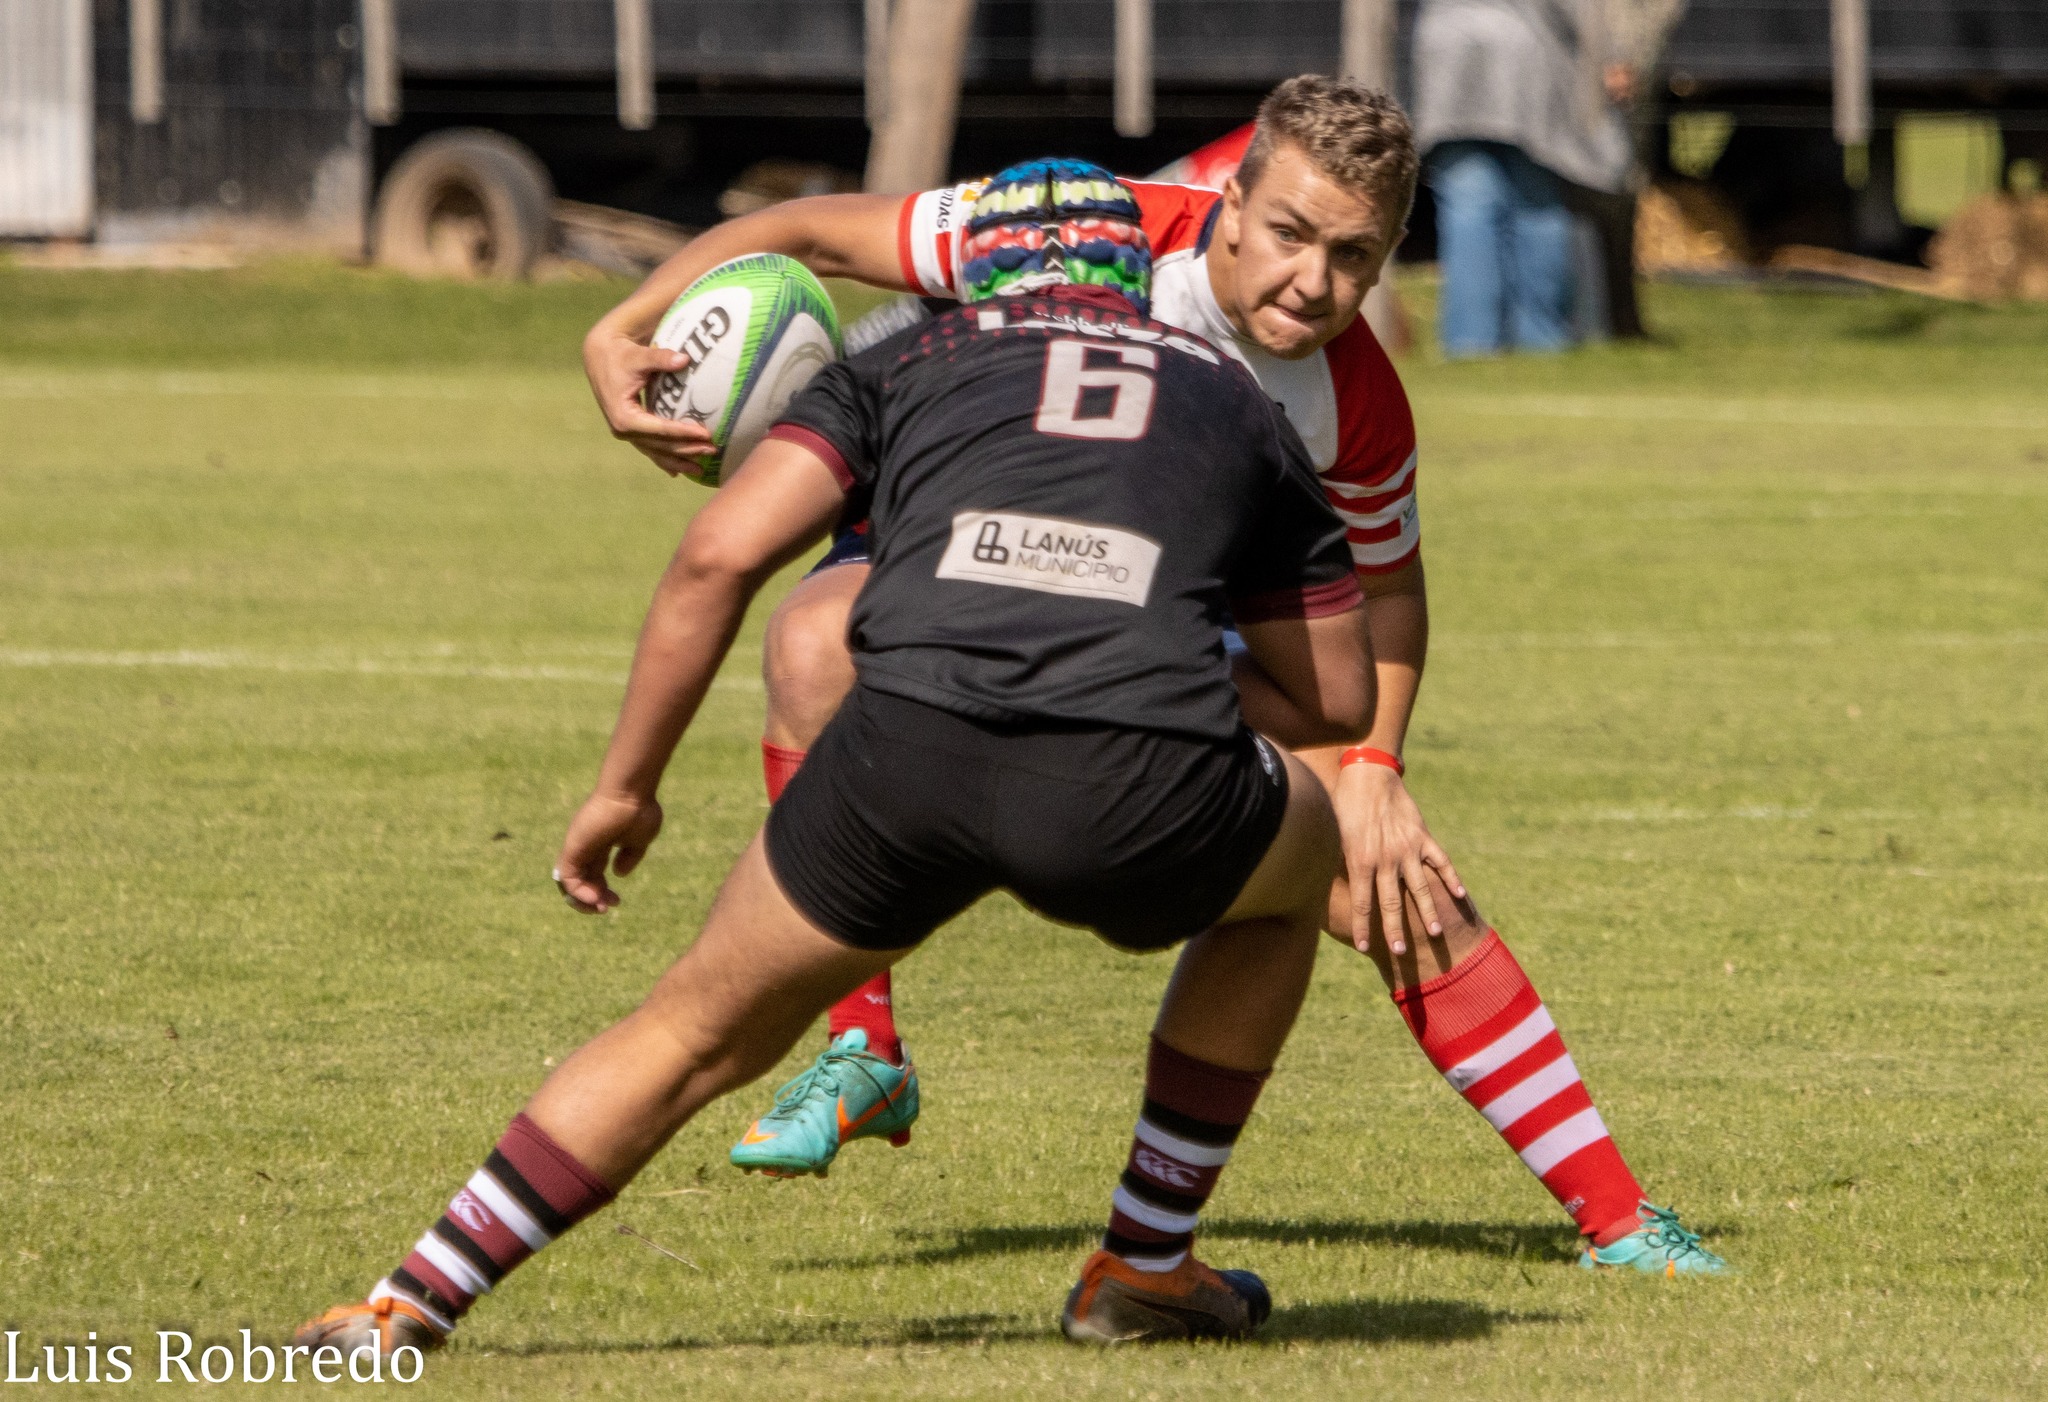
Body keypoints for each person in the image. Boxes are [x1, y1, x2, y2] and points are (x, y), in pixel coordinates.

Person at [582, 77, 1727, 1276]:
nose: (1311, 283)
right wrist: (620, 327)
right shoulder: (1088, 232)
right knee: (814, 640)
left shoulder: (1356, 402)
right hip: (972, 550)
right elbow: (805, 231)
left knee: (1381, 866)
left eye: (1353, 260)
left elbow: (1388, 596)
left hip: (1163, 613)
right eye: (1288, 235)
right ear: (1225, 202)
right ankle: (863, 1047)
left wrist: (1377, 766)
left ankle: (1617, 1217)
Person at [294, 163, 1382, 1357]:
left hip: (905, 746)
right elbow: (1335, 694)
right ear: (1141, 276)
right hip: (1137, 786)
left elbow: (718, 559)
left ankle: (407, 1300)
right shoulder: (1242, 406)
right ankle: (1144, 1260)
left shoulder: (899, 362)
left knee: (691, 1030)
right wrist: (1146, 638)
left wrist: (624, 787)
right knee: (1296, 864)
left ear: (965, 275)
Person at [1411, 0, 1636, 355]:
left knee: (1468, 208)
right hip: (1525, 53)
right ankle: (1541, 342)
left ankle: (1471, 346)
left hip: (1446, 49)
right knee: (1537, 205)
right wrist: (1611, 55)